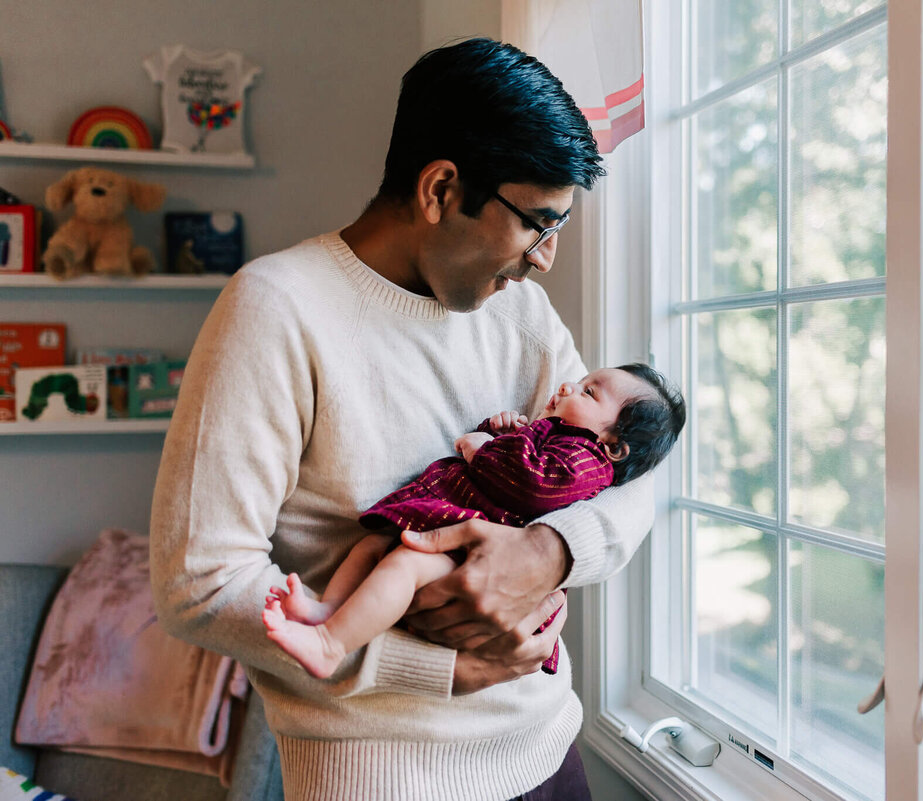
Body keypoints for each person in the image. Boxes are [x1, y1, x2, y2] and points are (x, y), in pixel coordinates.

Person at [150, 38, 657, 801]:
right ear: (441, 188)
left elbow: (631, 473)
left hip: (552, 755)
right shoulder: (277, 310)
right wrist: (440, 669)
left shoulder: (522, 314)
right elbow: (198, 582)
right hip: (381, 779)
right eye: (537, 225)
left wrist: (551, 549)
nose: (546, 259)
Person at [261, 364, 685, 680]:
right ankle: (330, 612)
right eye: (582, 379)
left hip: (476, 552)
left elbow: (532, 485)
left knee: (403, 565)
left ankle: (331, 646)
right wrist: (501, 429)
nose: (567, 385)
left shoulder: (585, 459)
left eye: (588, 392)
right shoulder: (557, 434)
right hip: (454, 524)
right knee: (370, 546)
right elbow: (518, 456)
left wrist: (484, 450)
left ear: (613, 446)